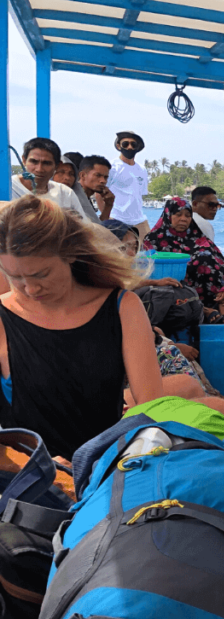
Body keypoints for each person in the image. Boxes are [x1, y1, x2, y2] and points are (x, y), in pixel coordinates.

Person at [0, 196, 163, 458]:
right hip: (28, 481)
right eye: (15, 277)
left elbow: (151, 407)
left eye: (41, 274)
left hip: (104, 473)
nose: (30, 289)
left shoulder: (122, 307)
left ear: (71, 253)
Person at [145, 198, 224, 322]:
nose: (183, 219)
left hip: (208, 295)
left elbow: (222, 264)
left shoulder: (198, 237)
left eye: (188, 215)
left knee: (207, 257)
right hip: (175, 291)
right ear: (168, 215)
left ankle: (222, 306)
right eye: (178, 214)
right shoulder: (153, 239)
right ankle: (203, 309)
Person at [10, 138, 90, 221]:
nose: (39, 169)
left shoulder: (66, 193)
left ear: (57, 165)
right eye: (34, 162)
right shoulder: (9, 189)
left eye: (46, 163)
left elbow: (84, 227)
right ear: (24, 160)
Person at [107, 131, 150, 235]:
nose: (129, 147)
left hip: (139, 220)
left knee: (150, 250)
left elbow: (140, 194)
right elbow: (100, 194)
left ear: (137, 147)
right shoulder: (112, 167)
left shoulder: (142, 169)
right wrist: (107, 218)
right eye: (125, 144)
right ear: (118, 146)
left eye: (133, 144)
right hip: (116, 219)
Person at [77, 155, 116, 223]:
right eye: (98, 175)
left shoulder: (86, 197)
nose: (103, 181)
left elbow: (99, 227)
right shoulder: (74, 196)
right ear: (82, 175)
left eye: (105, 177)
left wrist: (108, 205)